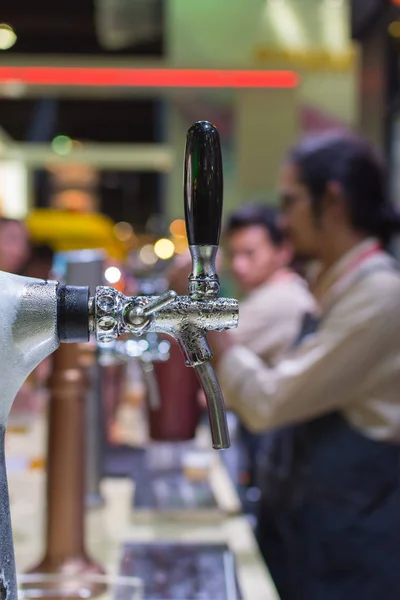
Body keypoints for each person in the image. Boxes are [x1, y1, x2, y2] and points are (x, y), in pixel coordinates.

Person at [206, 131, 400, 599]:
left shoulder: (379, 295)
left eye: (290, 202)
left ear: (332, 200)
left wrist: (210, 327)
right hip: (315, 535)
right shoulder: (338, 287)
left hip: (351, 555)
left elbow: (269, 402)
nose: (283, 220)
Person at [222, 205, 316, 490]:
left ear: (282, 252)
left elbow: (209, 353)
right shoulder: (274, 293)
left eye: (249, 253)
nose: (238, 265)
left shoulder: (280, 299)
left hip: (281, 450)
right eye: (233, 254)